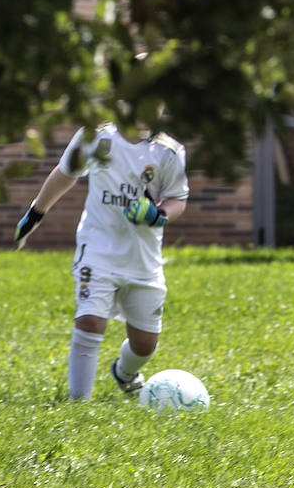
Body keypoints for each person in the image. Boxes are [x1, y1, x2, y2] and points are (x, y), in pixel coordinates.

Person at [14, 122, 189, 400]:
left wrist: (159, 214)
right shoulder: (95, 137)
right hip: (97, 250)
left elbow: (177, 199)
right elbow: (65, 173)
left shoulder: (168, 150)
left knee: (145, 344)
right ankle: (79, 404)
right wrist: (36, 213)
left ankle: (125, 372)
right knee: (90, 320)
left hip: (143, 260)